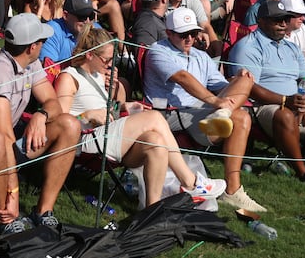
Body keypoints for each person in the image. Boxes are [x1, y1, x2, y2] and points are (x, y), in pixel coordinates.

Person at [54, 26, 222, 207]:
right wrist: (87, 115)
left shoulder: (98, 75)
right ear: (89, 55)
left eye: (113, 59)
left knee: (155, 141)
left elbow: (107, 111)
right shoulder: (68, 78)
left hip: (109, 138)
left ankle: (150, 209)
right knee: (155, 118)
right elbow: (60, 124)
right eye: (106, 59)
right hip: (85, 141)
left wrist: (122, 104)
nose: (110, 64)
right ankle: (190, 182)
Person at [0, 14, 79, 234]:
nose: (43, 45)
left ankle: (43, 211)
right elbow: (3, 134)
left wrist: (40, 116)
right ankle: (6, 218)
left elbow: (52, 103)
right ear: (32, 46)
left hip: (7, 133)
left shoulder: (31, 63)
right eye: (42, 42)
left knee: (70, 125)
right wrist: (14, 192)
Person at [143, 8, 266, 217]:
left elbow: (220, 85)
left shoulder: (200, 55)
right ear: (169, 33)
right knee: (240, 117)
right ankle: (232, 190)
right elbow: (182, 77)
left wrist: (236, 81)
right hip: (172, 114)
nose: (190, 38)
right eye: (183, 34)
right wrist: (216, 101)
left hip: (202, 111)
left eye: (193, 32)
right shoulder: (158, 52)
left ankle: (233, 189)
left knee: (244, 87)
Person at [230, 0, 305, 189]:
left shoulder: (291, 47)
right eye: (276, 20)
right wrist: (286, 101)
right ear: (261, 21)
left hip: (296, 100)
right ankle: (303, 171)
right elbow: (248, 87)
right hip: (262, 105)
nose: (283, 24)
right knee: (285, 116)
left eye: (285, 19)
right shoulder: (248, 47)